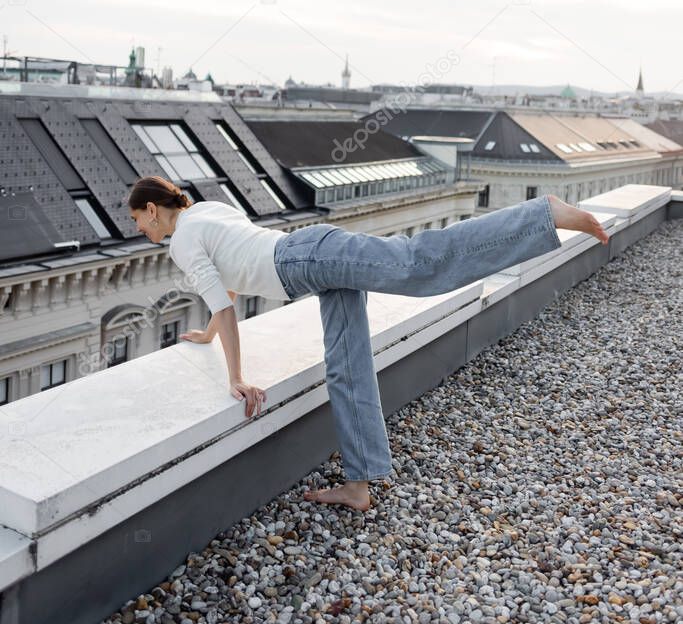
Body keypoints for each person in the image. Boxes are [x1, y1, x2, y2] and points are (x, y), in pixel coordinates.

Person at [128, 175, 608, 511]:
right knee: (347, 362)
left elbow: (226, 304)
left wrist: (235, 375)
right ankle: (359, 485)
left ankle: (540, 215)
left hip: (306, 261)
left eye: (138, 221)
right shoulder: (207, 211)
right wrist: (208, 334)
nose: (140, 231)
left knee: (415, 265)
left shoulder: (180, 241)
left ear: (153, 209)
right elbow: (230, 278)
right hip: (310, 258)